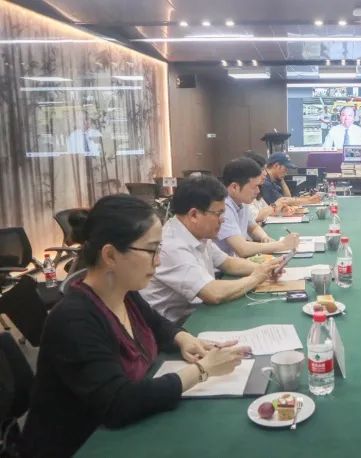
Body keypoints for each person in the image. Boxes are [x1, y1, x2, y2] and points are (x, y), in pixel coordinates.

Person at [20, 195, 251, 457]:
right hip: (82, 445)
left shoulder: (123, 291)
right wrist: (202, 370)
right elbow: (119, 403)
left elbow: (157, 325)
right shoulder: (74, 320)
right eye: (151, 251)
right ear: (110, 255)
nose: (158, 261)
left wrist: (184, 339)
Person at [140, 176, 280, 323]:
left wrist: (266, 269)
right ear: (194, 215)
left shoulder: (197, 233)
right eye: (218, 214)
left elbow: (228, 263)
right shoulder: (172, 245)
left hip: (194, 312)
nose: (222, 219)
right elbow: (213, 293)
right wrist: (255, 278)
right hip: (175, 325)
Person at [216, 158, 300, 257]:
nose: (258, 191)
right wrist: (282, 245)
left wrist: (264, 237)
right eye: (254, 187)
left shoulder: (242, 201)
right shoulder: (222, 208)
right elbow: (242, 249)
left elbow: (253, 227)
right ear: (235, 187)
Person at [243, 152, 294, 223]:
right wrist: (275, 205)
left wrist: (281, 213)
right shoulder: (264, 184)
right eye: (262, 170)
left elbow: (265, 210)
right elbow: (256, 217)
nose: (265, 173)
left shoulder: (259, 187)